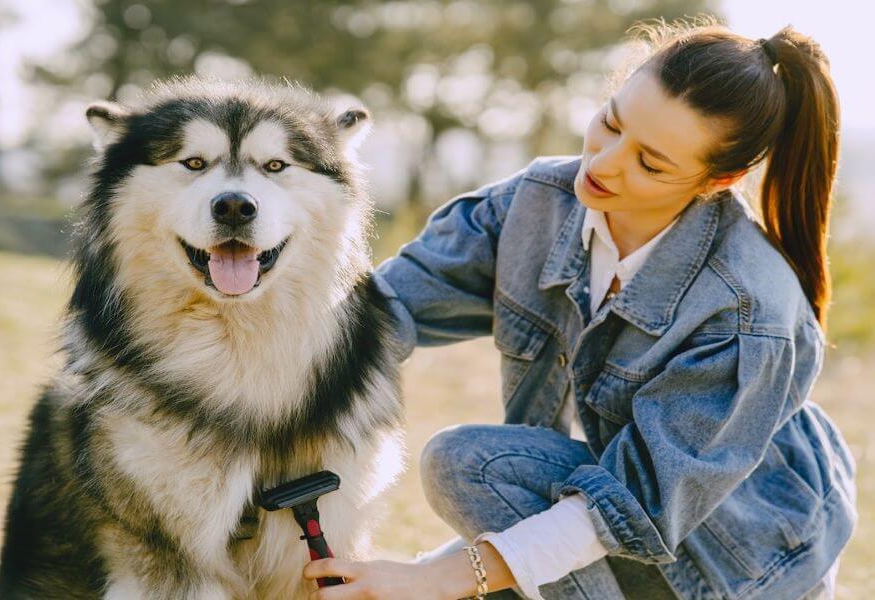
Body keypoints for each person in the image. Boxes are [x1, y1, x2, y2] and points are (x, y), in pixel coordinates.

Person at [303, 19, 856, 600]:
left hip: (743, 567)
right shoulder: (536, 204)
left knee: (467, 477)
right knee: (470, 485)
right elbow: (379, 313)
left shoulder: (748, 310)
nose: (604, 164)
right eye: (610, 122)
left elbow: (637, 501)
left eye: (651, 163)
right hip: (619, 526)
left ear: (719, 179)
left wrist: (438, 578)